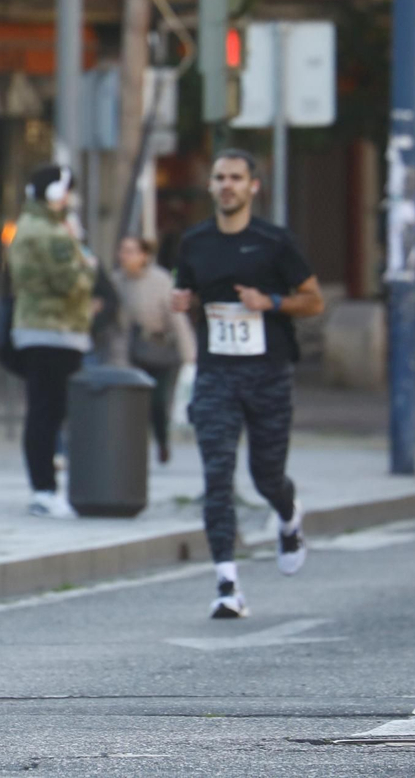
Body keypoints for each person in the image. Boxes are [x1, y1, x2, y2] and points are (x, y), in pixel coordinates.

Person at [171, 149, 325, 619]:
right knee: (216, 478)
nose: (227, 185)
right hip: (217, 372)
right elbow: (188, 292)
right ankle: (226, 584)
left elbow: (313, 301)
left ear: (253, 186)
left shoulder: (274, 242)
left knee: (266, 476)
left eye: (236, 177)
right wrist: (183, 301)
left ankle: (287, 513)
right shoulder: (194, 242)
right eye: (220, 177)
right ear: (211, 186)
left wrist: (270, 300)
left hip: (268, 372)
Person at [8, 165, 96, 519]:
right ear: (57, 194)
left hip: (37, 330)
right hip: (54, 332)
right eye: (68, 191)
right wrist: (88, 261)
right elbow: (72, 283)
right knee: (48, 413)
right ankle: (44, 490)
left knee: (43, 411)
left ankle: (44, 488)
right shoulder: (51, 233)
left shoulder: (29, 226)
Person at [116, 235, 196, 463]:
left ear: (144, 256)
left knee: (158, 402)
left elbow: (178, 319)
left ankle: (162, 441)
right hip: (131, 350)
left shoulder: (160, 280)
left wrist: (190, 355)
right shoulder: (117, 281)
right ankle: (134, 447)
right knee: (132, 403)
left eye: (131, 251)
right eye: (123, 250)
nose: (125, 256)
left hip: (160, 350)